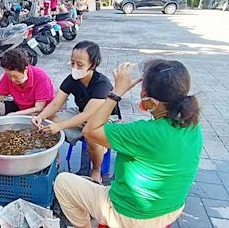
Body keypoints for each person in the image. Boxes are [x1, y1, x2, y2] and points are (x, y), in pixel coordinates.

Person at [54, 59, 202, 228]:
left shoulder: (144, 132)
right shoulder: (193, 125)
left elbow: (89, 131)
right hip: (170, 210)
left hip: (130, 216)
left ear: (152, 102)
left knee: (63, 182)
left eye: (142, 90)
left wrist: (116, 92)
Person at [32, 41, 113, 183]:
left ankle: (96, 170)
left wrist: (59, 126)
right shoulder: (72, 79)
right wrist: (40, 116)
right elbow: (57, 103)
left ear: (93, 64)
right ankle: (53, 160)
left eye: (80, 64)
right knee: (51, 120)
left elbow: (88, 114)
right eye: (72, 62)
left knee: (91, 137)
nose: (75, 67)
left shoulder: (102, 84)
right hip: (80, 114)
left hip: (103, 119)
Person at [0, 49, 55, 117]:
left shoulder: (41, 77)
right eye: (9, 76)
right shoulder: (8, 76)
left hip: (40, 111)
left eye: (15, 76)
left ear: (25, 69)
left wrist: (15, 114)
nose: (12, 80)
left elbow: (39, 108)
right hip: (21, 107)